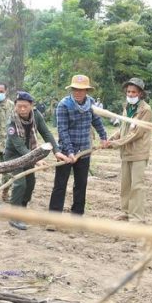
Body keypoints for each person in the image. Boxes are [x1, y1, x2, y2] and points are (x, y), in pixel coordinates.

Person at [5, 91, 68, 230]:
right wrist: (36, 160)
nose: (22, 109)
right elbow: (19, 147)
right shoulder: (11, 122)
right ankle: (14, 216)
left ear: (31, 105)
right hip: (14, 156)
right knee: (20, 184)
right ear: (15, 106)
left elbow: (46, 133)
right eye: (19, 106)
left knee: (30, 183)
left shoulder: (36, 115)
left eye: (25, 106)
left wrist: (57, 151)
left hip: (29, 153)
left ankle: (22, 209)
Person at [48, 74, 109, 216]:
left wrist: (103, 137)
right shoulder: (64, 105)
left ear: (86, 91)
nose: (78, 92)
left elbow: (97, 121)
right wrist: (69, 151)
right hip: (65, 152)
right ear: (71, 89)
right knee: (60, 185)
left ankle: (77, 216)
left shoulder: (91, 103)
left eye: (81, 90)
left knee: (81, 185)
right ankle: (53, 218)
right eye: (75, 89)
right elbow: (62, 130)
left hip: (84, 151)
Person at [108, 78, 152, 222]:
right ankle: (125, 212)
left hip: (138, 152)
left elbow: (136, 133)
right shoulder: (127, 107)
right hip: (126, 152)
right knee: (125, 184)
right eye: (128, 91)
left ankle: (137, 216)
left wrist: (116, 144)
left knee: (137, 185)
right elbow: (123, 128)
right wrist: (111, 138)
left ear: (140, 94)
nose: (131, 94)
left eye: (134, 92)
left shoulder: (145, 110)